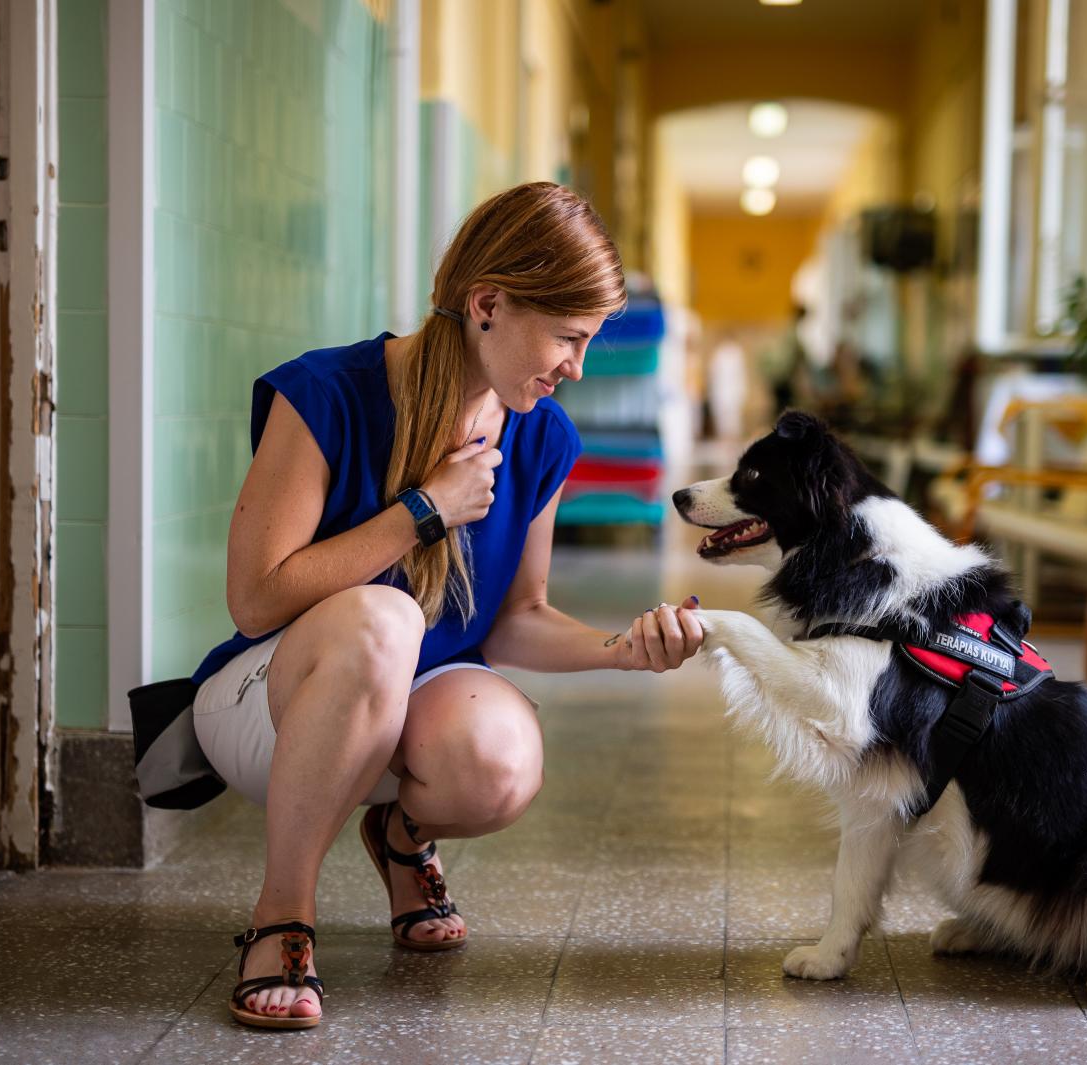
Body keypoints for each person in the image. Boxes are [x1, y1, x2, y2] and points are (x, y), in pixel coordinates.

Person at [188, 182, 706, 1029]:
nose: (577, 365)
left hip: (407, 705)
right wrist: (424, 509)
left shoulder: (543, 437)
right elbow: (254, 600)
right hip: (270, 701)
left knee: (501, 758)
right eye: (570, 337)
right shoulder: (325, 394)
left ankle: (401, 837)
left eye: (589, 341)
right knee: (384, 620)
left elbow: (516, 619)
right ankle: (283, 910)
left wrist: (626, 646)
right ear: (489, 304)